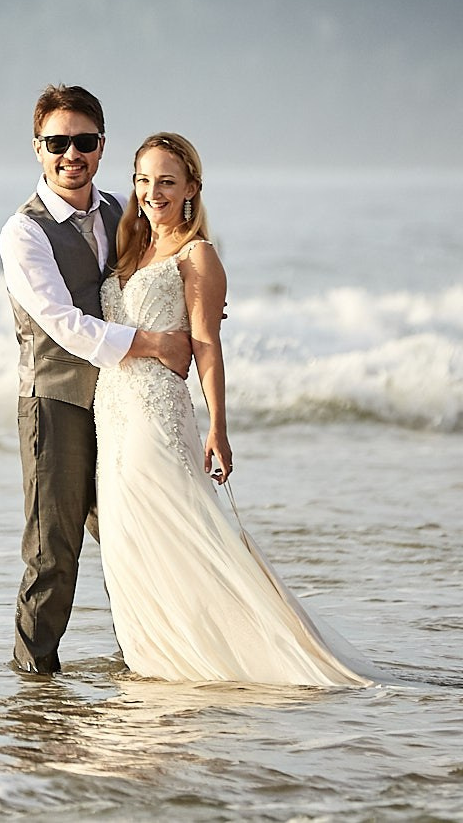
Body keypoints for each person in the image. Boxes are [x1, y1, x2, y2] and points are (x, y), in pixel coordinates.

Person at [95, 132, 376, 685]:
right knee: (130, 543)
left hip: (156, 415)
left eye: (168, 182)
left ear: (192, 188)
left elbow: (206, 345)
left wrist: (218, 427)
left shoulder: (198, 255)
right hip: (112, 412)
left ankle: (231, 656)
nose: (154, 192)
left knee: (179, 536)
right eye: (144, 180)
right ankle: (160, 659)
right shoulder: (131, 249)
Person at [0, 85, 190, 675]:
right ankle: (33, 695)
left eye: (83, 141)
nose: (71, 154)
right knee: (54, 555)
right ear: (38, 149)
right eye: (58, 142)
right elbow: (63, 324)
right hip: (54, 403)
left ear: (101, 146)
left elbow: (163, 265)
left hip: (122, 404)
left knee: (136, 539)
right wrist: (156, 343)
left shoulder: (121, 211)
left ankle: (153, 665)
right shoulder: (24, 232)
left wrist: (198, 306)